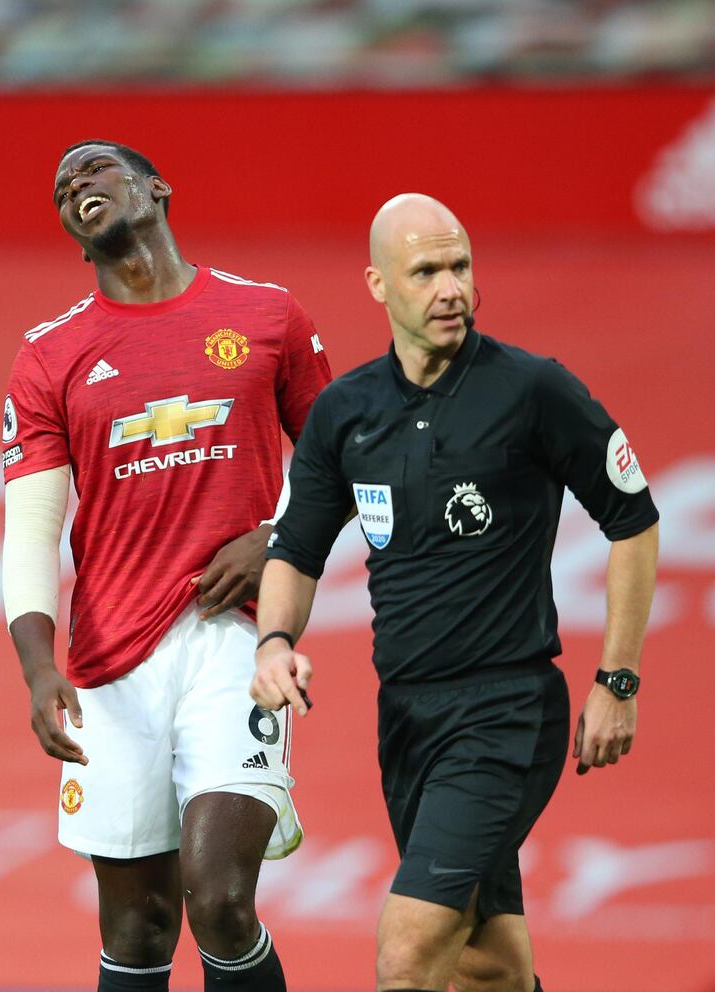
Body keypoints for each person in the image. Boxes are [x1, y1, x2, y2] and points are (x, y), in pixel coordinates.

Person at [250, 193, 659, 992]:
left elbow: (633, 523)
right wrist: (273, 643)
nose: (451, 288)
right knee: (489, 966)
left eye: (461, 267)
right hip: (406, 717)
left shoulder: (533, 390)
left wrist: (617, 680)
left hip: (506, 712)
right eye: (427, 271)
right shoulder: (345, 412)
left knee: (407, 953)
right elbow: (295, 551)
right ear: (379, 285)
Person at [1, 139, 331, 992]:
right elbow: (31, 532)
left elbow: (345, 460)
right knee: (139, 930)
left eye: (95, 169)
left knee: (220, 898)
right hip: (112, 661)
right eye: (62, 184)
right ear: (76, 237)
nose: (76, 184)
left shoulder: (268, 315)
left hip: (237, 643)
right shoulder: (49, 354)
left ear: (155, 188)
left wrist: (277, 535)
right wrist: (40, 669)